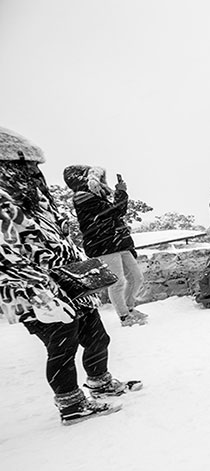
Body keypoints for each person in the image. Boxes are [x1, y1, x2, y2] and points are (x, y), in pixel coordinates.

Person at [0, 127, 134, 425]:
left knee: (97, 336)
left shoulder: (36, 200)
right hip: (32, 289)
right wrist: (40, 292)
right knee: (62, 345)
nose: (35, 175)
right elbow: (10, 254)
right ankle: (71, 404)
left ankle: (99, 381)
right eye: (26, 169)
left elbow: (57, 237)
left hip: (69, 281)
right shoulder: (2, 204)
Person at [63, 165, 147, 327]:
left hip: (118, 243)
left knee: (137, 277)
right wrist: (121, 192)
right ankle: (124, 316)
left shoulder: (96, 196)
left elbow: (114, 217)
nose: (102, 181)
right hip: (103, 245)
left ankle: (129, 308)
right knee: (118, 283)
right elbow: (116, 211)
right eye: (98, 177)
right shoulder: (82, 197)